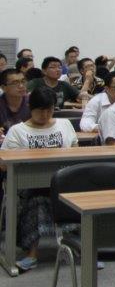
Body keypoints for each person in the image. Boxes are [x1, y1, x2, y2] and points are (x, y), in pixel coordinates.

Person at [1, 87, 78, 271]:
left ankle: (81, 248)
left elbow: (76, 152)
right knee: (37, 200)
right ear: (31, 108)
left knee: (81, 197)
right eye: (40, 111)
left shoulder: (64, 124)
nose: (44, 115)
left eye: (49, 110)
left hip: (63, 182)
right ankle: (32, 253)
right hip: (30, 185)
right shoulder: (18, 131)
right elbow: (4, 164)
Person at [0, 68, 30, 141]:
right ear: (3, 88)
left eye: (23, 81)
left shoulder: (33, 103)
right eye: (15, 83)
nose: (21, 86)